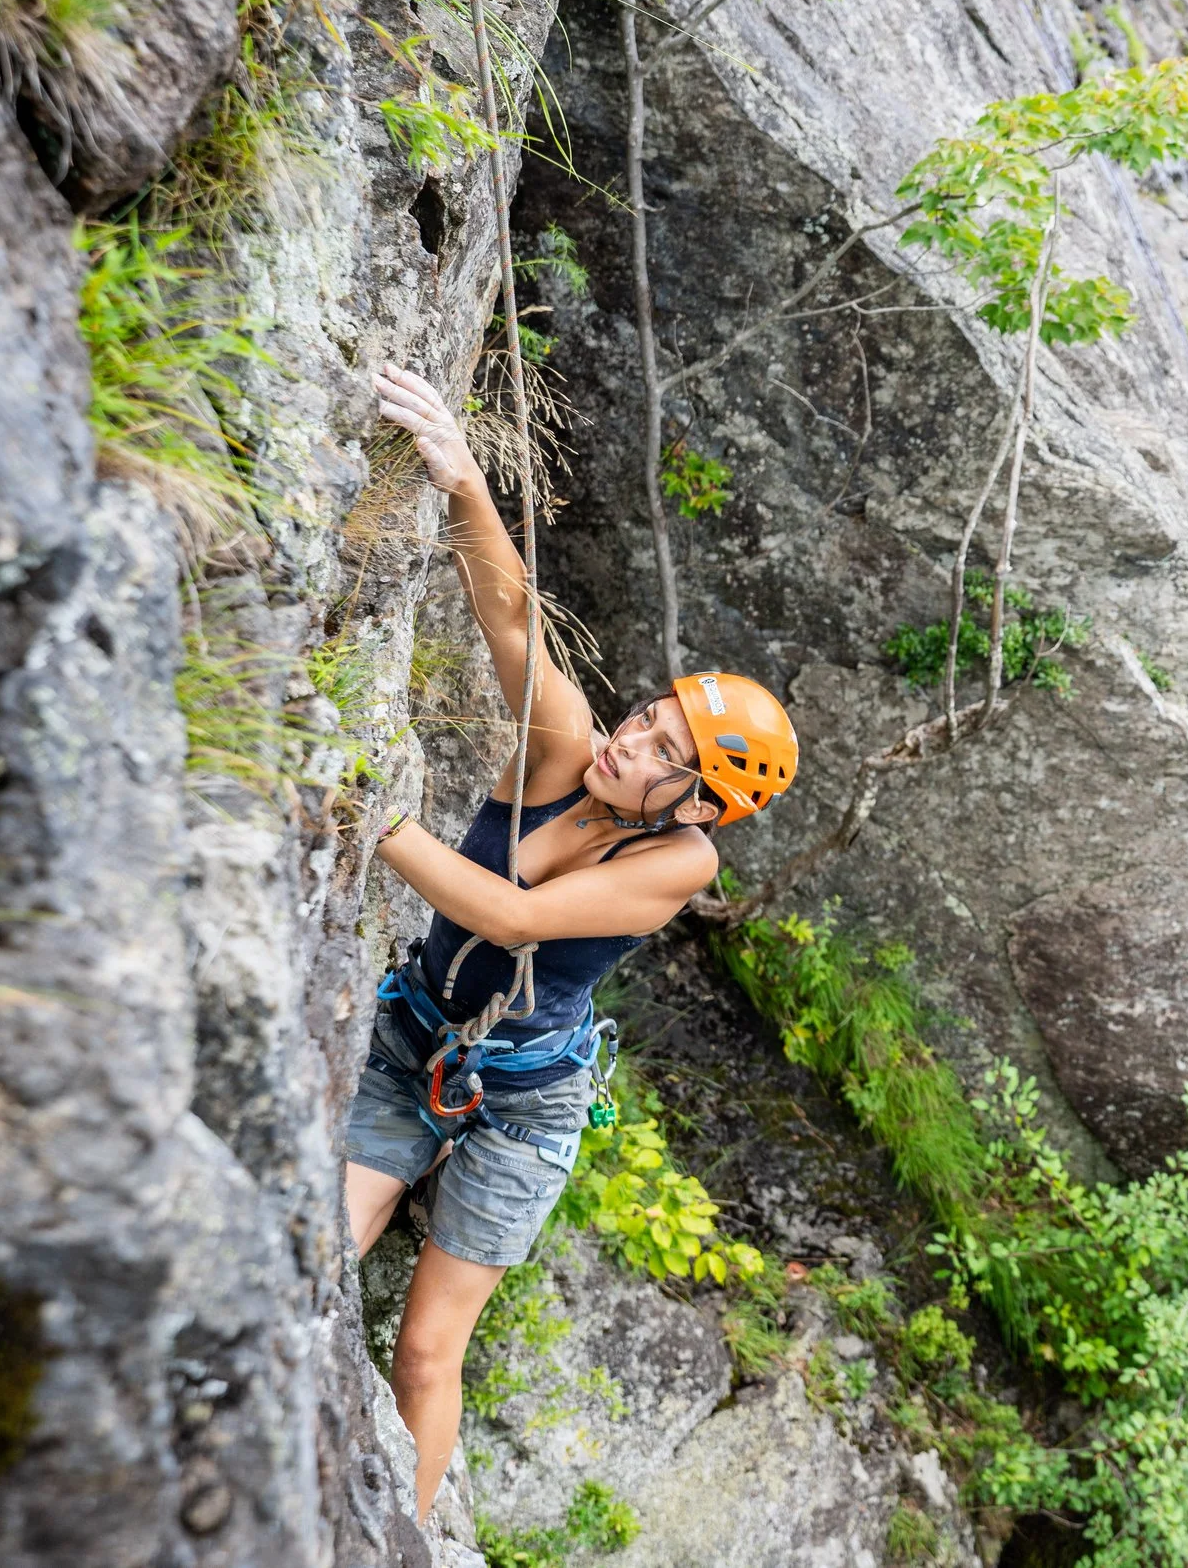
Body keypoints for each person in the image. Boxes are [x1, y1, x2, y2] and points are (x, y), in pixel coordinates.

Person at [345, 365, 795, 1520]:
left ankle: (393, 1538)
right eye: (648, 716)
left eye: (662, 753)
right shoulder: (565, 753)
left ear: (698, 804)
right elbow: (510, 615)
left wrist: (368, 808)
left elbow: (515, 917)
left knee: (426, 1351)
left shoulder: (675, 863)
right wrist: (460, 475)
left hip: (523, 1105)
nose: (631, 743)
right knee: (312, 1246)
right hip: (415, 1043)